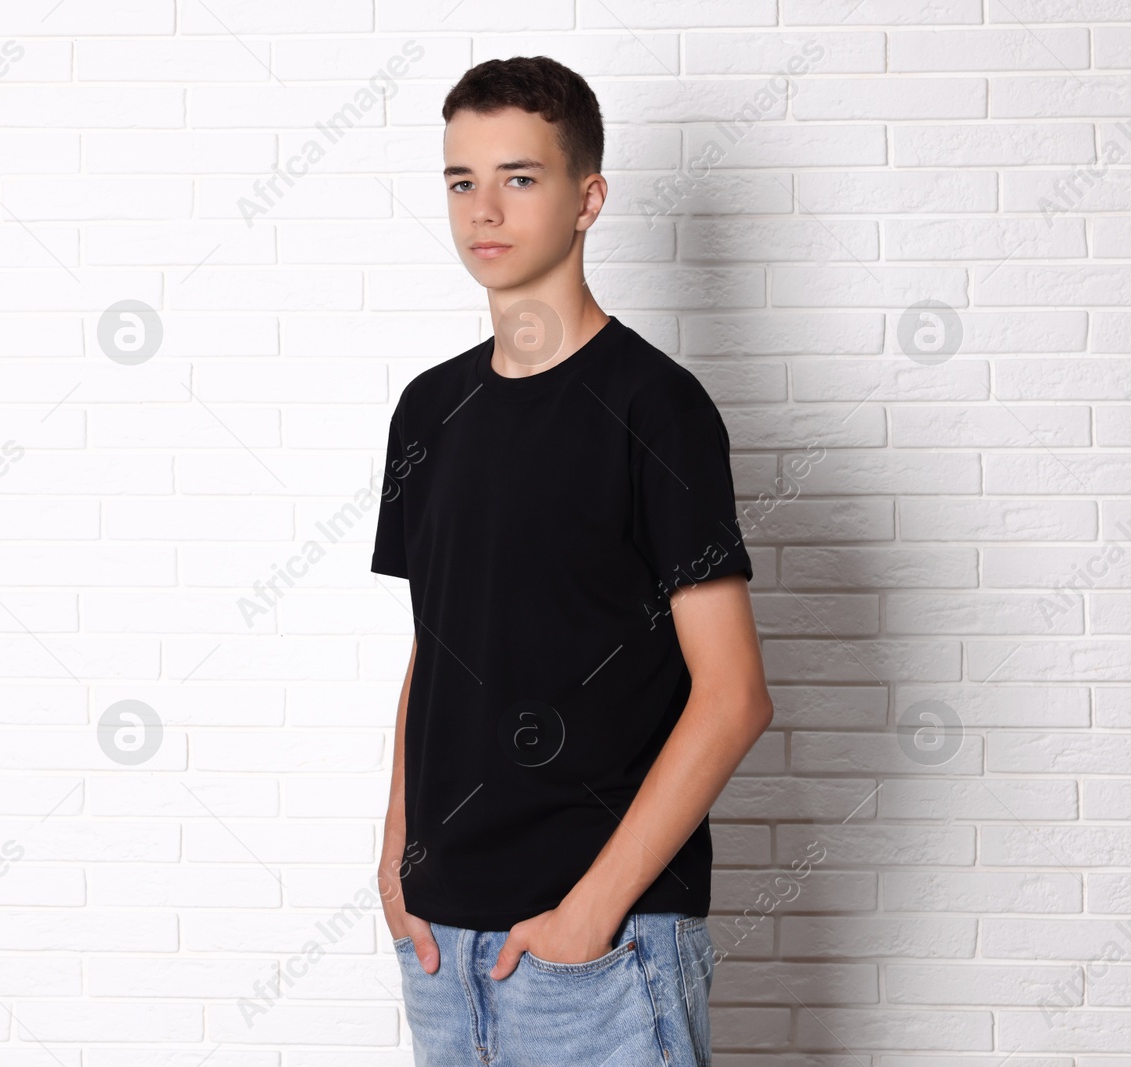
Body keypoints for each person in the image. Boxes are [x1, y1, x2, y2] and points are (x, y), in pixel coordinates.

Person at [370, 56, 773, 1066]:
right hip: (439, 939)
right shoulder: (429, 409)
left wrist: (591, 911)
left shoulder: (656, 409)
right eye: (461, 180)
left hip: (601, 944)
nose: (483, 209)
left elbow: (732, 695)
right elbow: (440, 642)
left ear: (587, 197)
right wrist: (395, 858)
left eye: (519, 176)